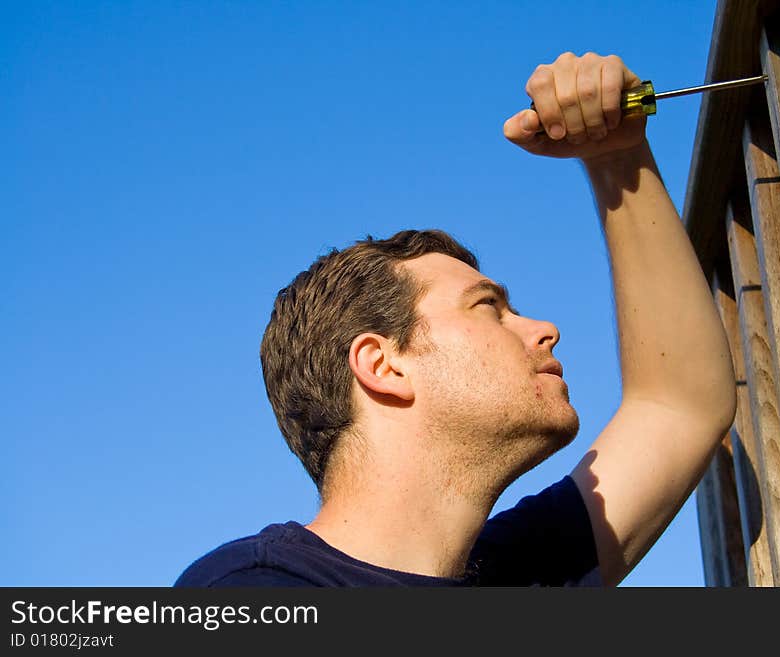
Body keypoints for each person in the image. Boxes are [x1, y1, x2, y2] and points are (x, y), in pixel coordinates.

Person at [175, 51, 736, 587]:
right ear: (383, 364)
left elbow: (679, 404)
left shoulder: (517, 573)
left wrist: (616, 155)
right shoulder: (256, 590)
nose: (545, 328)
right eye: (488, 307)